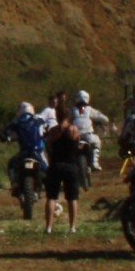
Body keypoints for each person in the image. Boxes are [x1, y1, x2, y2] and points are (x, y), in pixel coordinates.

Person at [43, 96, 86, 235]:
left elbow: (48, 145)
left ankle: (49, 227)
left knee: (51, 197)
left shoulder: (53, 131)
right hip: (71, 166)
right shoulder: (74, 130)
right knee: (72, 198)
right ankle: (72, 227)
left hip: (55, 165)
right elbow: (79, 144)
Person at [3, 100, 47, 196]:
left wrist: (5, 137)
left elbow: (6, 131)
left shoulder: (16, 121)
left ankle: (14, 184)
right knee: (48, 170)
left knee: (11, 164)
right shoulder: (39, 119)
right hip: (38, 152)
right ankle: (51, 189)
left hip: (25, 153)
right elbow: (47, 128)